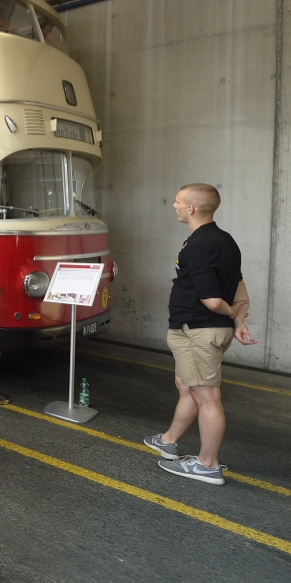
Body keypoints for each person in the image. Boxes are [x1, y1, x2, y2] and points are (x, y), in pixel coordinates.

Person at [145, 184, 256, 485]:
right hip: (204, 330)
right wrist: (239, 319)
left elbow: (211, 299)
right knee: (188, 386)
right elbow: (239, 288)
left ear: (191, 209)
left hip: (198, 330)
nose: (174, 206)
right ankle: (169, 440)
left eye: (178, 202)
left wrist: (232, 315)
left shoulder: (200, 245)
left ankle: (208, 464)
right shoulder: (225, 241)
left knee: (206, 396)